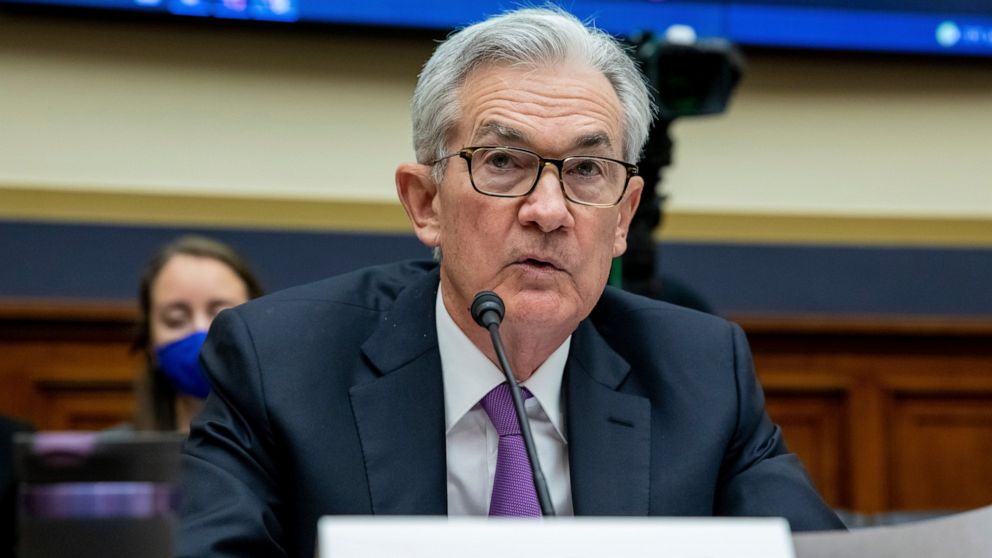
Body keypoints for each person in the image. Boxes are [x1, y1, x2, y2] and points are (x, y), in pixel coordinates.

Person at [178, 8, 843, 558]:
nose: (548, 211)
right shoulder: (280, 365)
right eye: (502, 161)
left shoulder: (701, 377)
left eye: (587, 170)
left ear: (623, 218)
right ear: (425, 203)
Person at [133, 235, 263, 431]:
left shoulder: (297, 448)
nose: (201, 332)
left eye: (221, 317)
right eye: (176, 320)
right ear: (149, 341)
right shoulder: (109, 450)